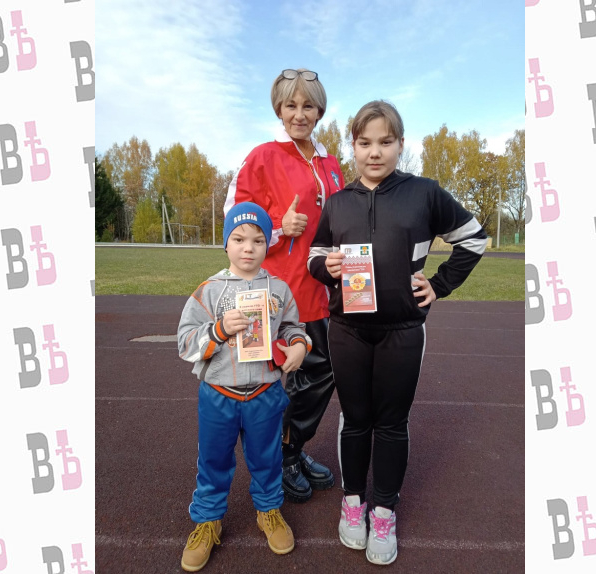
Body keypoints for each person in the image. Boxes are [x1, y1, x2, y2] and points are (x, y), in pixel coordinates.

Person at [308, 100, 487, 565]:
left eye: (385, 142)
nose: (375, 152)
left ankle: (384, 511)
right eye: (365, 142)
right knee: (354, 419)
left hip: (402, 330)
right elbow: (315, 255)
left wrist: (440, 284)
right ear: (352, 146)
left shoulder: (424, 193)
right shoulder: (338, 202)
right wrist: (327, 267)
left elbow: (474, 238)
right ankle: (353, 503)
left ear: (401, 144)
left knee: (390, 423)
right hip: (347, 330)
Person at [224, 68, 345, 503]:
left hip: (320, 291)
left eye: (308, 105)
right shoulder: (262, 157)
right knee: (273, 381)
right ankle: (276, 461)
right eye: (291, 105)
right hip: (273, 293)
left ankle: (290, 450)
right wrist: (278, 225)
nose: (299, 114)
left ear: (320, 111)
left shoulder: (331, 163)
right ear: (279, 109)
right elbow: (234, 220)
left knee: (321, 373)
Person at [176, 202, 310, 572]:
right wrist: (218, 330)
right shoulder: (209, 291)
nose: (248, 248)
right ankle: (208, 519)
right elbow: (185, 343)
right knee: (213, 460)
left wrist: (299, 346)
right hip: (218, 395)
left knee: (267, 459)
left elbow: (293, 328)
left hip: (265, 394)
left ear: (268, 244)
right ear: (226, 244)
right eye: (238, 239)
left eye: (257, 240)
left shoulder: (278, 289)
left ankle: (269, 510)